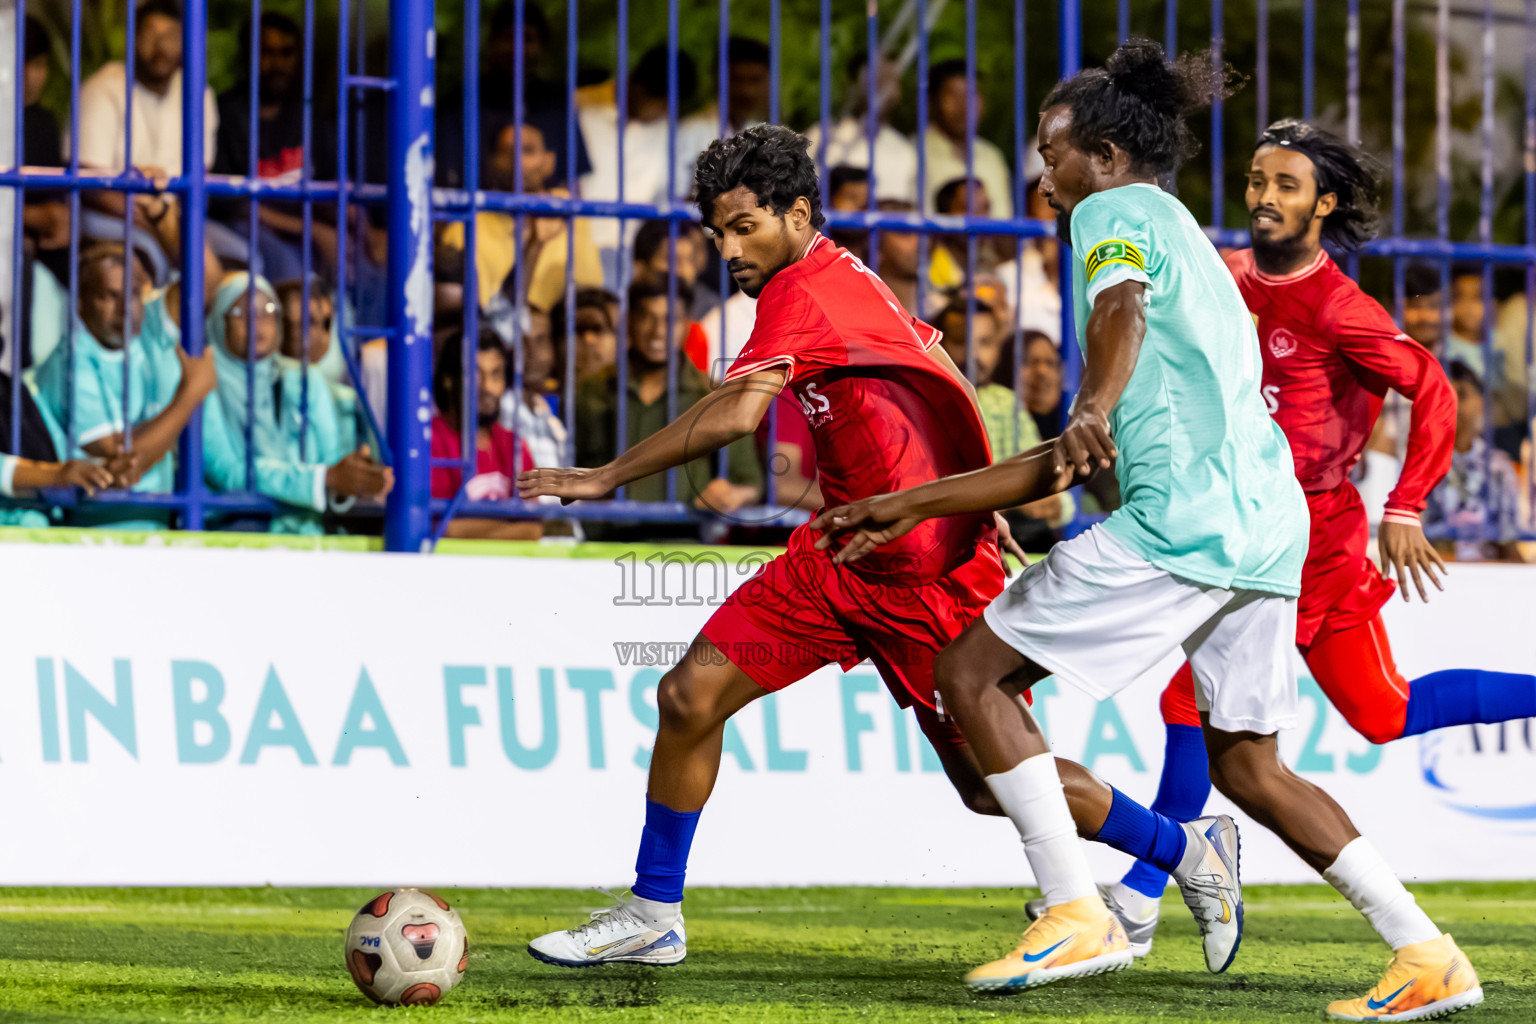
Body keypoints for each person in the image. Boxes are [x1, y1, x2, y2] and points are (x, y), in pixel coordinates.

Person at [813, 48, 1493, 1020]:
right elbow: (1065, 458)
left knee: (966, 676)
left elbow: (1117, 310)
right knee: (1248, 765)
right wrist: (915, 501)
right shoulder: (1188, 235)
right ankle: (1427, 952)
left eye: (1051, 152)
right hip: (1269, 530)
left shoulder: (1114, 214)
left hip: (1185, 525)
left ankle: (1073, 910)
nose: (1043, 175)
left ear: (1104, 152)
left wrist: (1089, 400)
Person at [516, 124, 1223, 974]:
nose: (729, 250)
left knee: (985, 785)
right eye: (717, 234)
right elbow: (937, 360)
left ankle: (1184, 850)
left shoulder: (801, 293)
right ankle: (653, 909)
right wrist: (976, 485)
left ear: (796, 213)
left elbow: (739, 415)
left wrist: (605, 476)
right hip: (841, 553)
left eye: (744, 228)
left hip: (923, 570)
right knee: (689, 695)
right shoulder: (841, 274)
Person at [1058, 118, 1506, 1019]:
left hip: (1313, 541)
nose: (1265, 196)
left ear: (1324, 203)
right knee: (1379, 714)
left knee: (1195, 708)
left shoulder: (1340, 307)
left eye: (1288, 184)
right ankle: (1147, 902)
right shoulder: (1222, 274)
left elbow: (1437, 387)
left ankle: (1141, 904)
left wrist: (1407, 502)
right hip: (1245, 522)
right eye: (1259, 180)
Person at [30, 244, 218, 529]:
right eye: (110, 295)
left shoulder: (146, 328)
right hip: (98, 533)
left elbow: (207, 279)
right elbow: (127, 460)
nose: (124, 309)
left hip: (157, 524)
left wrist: (164, 218)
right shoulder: (70, 363)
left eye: (132, 294)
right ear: (81, 302)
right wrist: (191, 395)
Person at [201, 273, 392, 532]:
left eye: (267, 310)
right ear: (219, 321)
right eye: (240, 311)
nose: (256, 321)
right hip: (235, 532)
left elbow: (332, 464)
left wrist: (353, 478)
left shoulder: (306, 380)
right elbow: (228, 472)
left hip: (307, 532)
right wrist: (320, 479)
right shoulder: (203, 380)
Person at [573, 278, 761, 520]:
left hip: (681, 542)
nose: (658, 331)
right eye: (646, 317)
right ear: (629, 321)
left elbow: (751, 483)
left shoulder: (714, 397)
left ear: (686, 324)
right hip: (601, 543)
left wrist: (733, 494)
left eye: (670, 320)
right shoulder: (589, 391)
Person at [76, 0, 218, 286]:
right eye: (150, 34)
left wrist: (172, 224)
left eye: (172, 36)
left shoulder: (198, 93)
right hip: (115, 213)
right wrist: (159, 227)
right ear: (132, 39)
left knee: (244, 257)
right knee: (157, 257)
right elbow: (92, 186)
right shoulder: (101, 88)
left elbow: (202, 180)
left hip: (174, 216)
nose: (161, 47)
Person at [211, 12, 341, 282]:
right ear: (247, 56)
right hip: (250, 228)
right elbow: (232, 204)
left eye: (287, 53)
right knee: (291, 270)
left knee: (365, 270)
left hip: (302, 230)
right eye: (266, 52)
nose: (278, 63)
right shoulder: (223, 113)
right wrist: (313, 230)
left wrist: (356, 225)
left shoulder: (307, 115)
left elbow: (330, 187)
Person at [937, 295, 1072, 544]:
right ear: (937, 344)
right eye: (960, 341)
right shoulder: (930, 398)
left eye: (985, 342)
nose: (973, 353)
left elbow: (1051, 478)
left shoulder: (1007, 402)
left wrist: (1051, 501)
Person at [437, 120, 604, 315]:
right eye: (507, 152)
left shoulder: (569, 208)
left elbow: (589, 298)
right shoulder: (466, 227)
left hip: (562, 337)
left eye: (527, 150)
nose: (516, 159)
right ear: (492, 162)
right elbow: (481, 316)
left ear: (549, 161)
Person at [431, 329, 540, 540]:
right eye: (474, 374)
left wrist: (468, 528)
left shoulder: (515, 446)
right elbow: (444, 529)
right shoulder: (430, 440)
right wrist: (512, 529)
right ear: (448, 380)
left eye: (495, 374)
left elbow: (534, 528)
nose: (487, 387)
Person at [1422, 360, 1526, 563]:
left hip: (1483, 577)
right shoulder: (1420, 462)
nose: (1453, 404)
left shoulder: (1497, 466)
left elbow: (1508, 543)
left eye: (1461, 395)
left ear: (1481, 402)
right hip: (1431, 572)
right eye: (1443, 395)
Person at [802, 53, 918, 204]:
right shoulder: (821, 137)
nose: (884, 89)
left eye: (891, 81)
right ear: (852, 84)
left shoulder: (905, 150)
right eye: (877, 80)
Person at [923, 59, 1014, 219]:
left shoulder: (993, 157)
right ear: (932, 102)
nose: (964, 105)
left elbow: (1004, 223)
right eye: (953, 96)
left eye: (972, 95)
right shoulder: (915, 152)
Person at [679, 36, 771, 142]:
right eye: (737, 80)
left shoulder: (760, 135)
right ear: (717, 79)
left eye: (755, 80)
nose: (746, 91)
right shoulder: (690, 132)